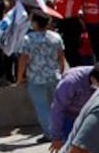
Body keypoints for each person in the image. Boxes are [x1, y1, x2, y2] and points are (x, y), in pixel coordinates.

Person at [16, 11, 66, 142]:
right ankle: (61, 130)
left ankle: (50, 134)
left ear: (36, 23)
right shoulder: (55, 37)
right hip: (54, 75)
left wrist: (20, 77)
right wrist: (61, 71)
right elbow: (61, 56)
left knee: (42, 107)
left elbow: (23, 59)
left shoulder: (28, 39)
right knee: (58, 105)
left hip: (36, 77)